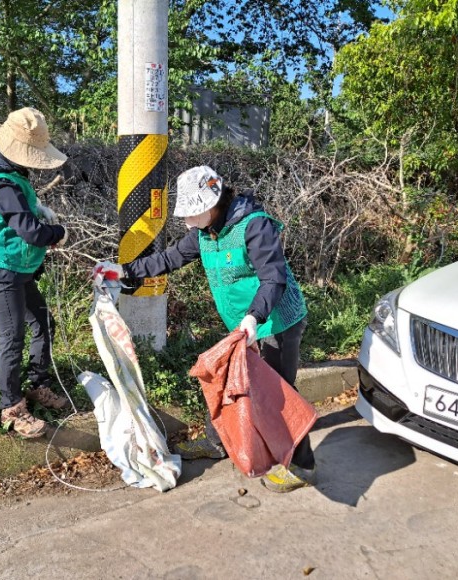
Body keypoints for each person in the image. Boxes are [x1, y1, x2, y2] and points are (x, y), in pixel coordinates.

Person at [93, 166, 316, 492]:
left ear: (213, 205)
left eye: (191, 213)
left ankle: (303, 466)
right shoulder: (205, 232)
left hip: (275, 322)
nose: (186, 221)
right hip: (243, 325)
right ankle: (217, 443)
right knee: (226, 381)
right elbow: (168, 259)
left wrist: (254, 317)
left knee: (278, 395)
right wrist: (122, 271)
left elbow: (273, 279)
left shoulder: (254, 227)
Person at [0, 107, 70, 439]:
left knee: (43, 323)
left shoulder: (3, 165)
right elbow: (31, 232)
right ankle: (12, 408)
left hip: (18, 263)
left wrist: (35, 208)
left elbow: (19, 214)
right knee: (12, 337)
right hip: (0, 267)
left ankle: (39, 383)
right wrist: (57, 234)